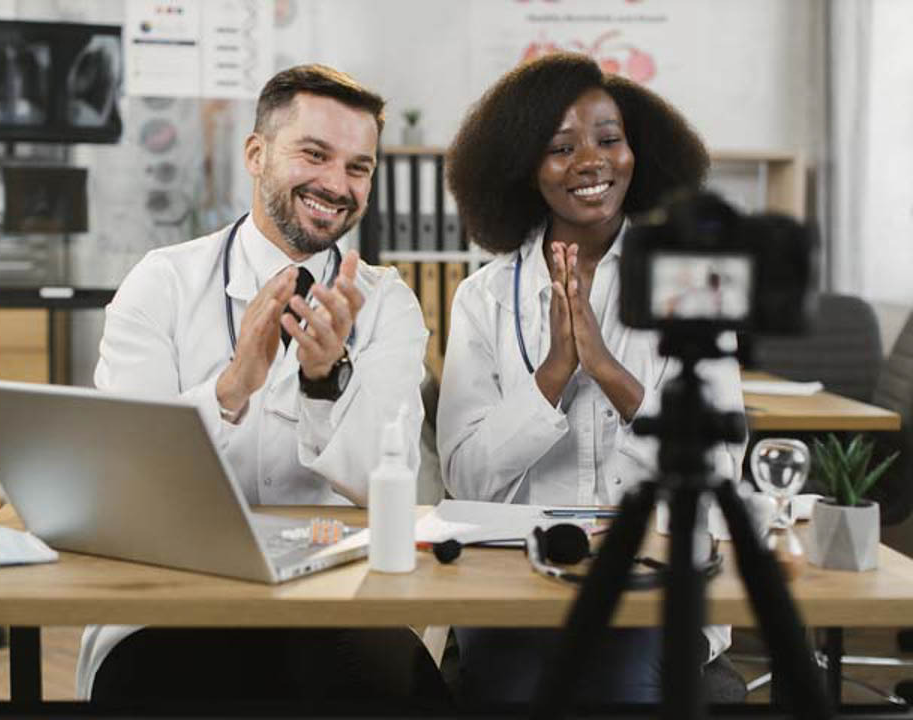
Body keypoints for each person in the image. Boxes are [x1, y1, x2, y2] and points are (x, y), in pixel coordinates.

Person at [76, 64, 440, 709]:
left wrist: (323, 383)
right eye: (315, 154)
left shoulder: (389, 304)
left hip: (337, 599)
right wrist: (234, 385)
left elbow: (389, 482)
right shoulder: (161, 283)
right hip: (177, 599)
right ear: (256, 153)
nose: (336, 184)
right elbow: (128, 479)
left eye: (358, 167)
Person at [438, 52, 747, 707]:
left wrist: (608, 370)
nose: (592, 161)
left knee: (620, 690)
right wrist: (553, 373)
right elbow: (464, 478)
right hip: (514, 581)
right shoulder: (481, 298)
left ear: (639, 152)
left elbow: (717, 463)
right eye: (560, 147)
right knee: (513, 692)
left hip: (652, 582)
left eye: (610, 140)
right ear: (523, 166)